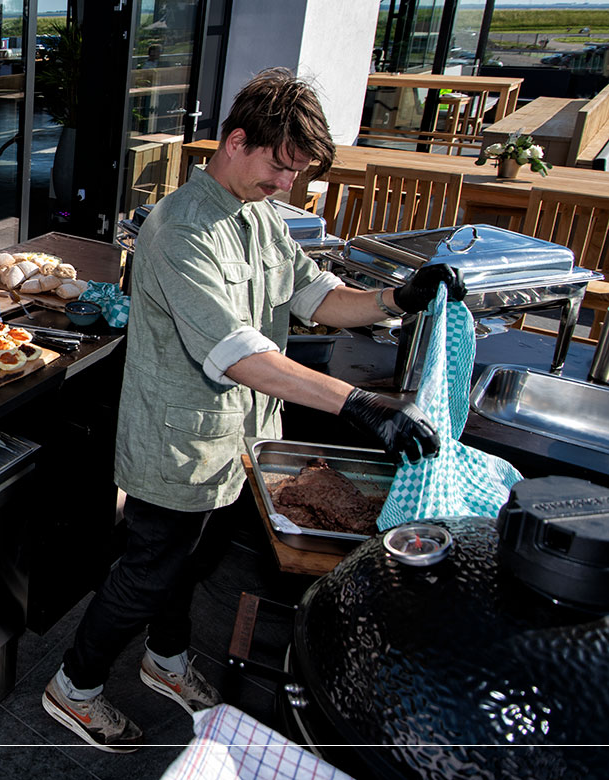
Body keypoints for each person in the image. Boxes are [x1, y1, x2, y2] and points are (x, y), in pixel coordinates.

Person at [42, 68, 464, 753]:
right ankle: (74, 686)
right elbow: (239, 353)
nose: (286, 185)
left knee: (189, 559)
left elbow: (317, 296)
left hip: (241, 440)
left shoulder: (261, 216)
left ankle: (166, 661)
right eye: (280, 166)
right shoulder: (180, 230)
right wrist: (356, 403)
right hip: (178, 443)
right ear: (237, 141)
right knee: (148, 569)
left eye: (296, 172)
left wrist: (399, 298)